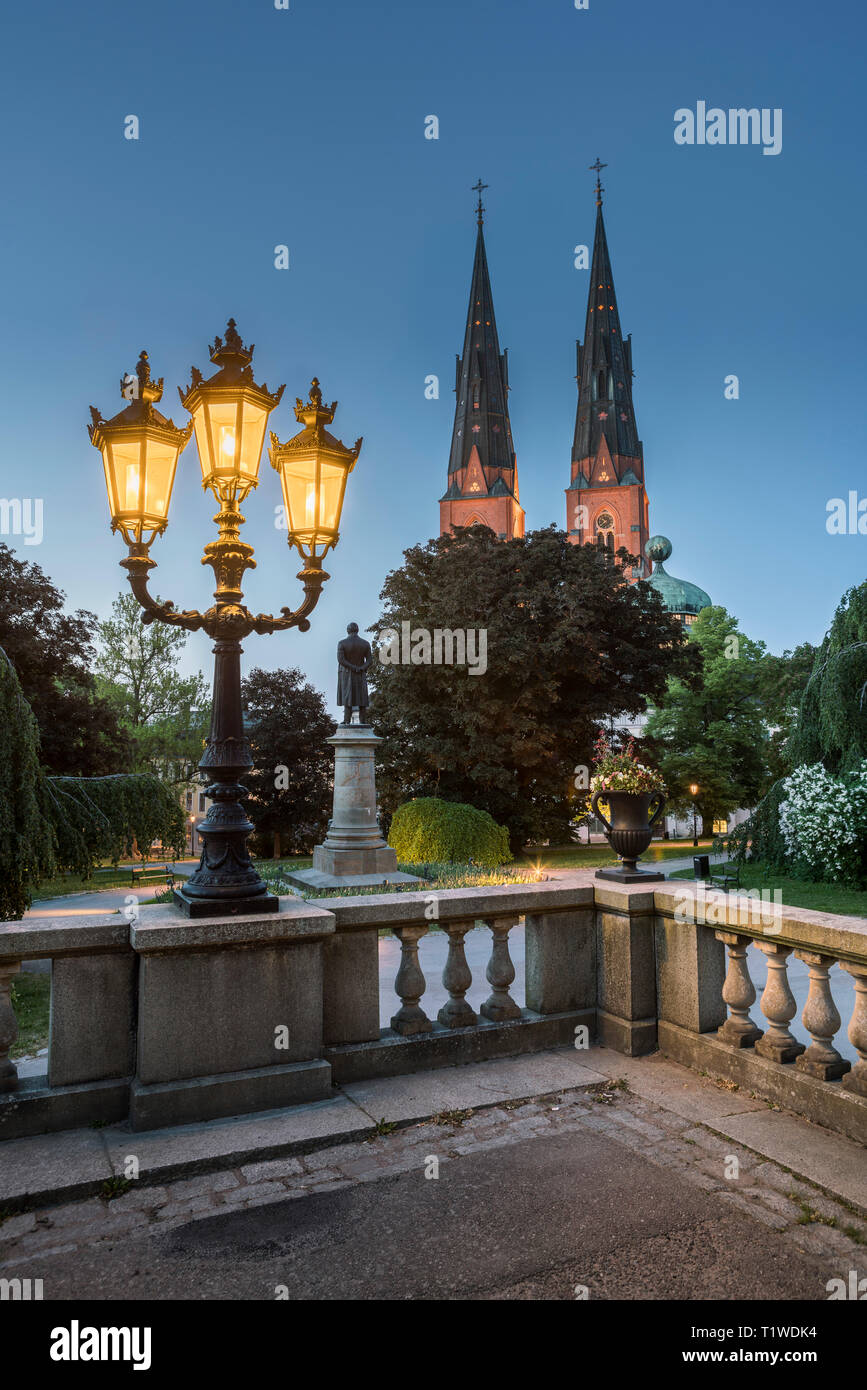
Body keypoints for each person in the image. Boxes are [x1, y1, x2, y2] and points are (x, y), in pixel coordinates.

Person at [336, 622, 372, 725]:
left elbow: (341, 660)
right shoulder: (365, 643)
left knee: (348, 697)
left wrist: (353, 668)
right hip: (360, 673)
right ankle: (363, 721)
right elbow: (370, 661)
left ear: (348, 630)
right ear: (357, 630)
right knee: (362, 698)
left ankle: (346, 720)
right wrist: (361, 668)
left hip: (347, 674)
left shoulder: (342, 643)